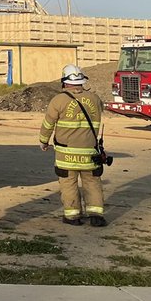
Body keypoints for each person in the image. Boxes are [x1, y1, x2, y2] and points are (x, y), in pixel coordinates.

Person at [40, 64, 107, 227]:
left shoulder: (58, 100)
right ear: (82, 81)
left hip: (65, 154)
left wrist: (44, 141)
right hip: (90, 152)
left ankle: (72, 216)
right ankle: (96, 216)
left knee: (68, 184)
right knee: (92, 183)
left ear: (64, 82)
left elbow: (48, 124)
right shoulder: (95, 99)